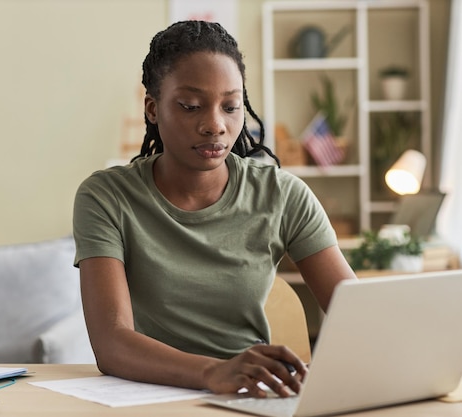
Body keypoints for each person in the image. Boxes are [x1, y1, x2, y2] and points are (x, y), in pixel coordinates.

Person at [72, 20, 357, 397]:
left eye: (231, 106)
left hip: (251, 396)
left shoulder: (282, 195)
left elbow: (357, 319)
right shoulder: (106, 197)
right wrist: (214, 372)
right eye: (191, 106)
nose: (215, 125)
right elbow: (111, 343)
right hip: (146, 396)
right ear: (153, 109)